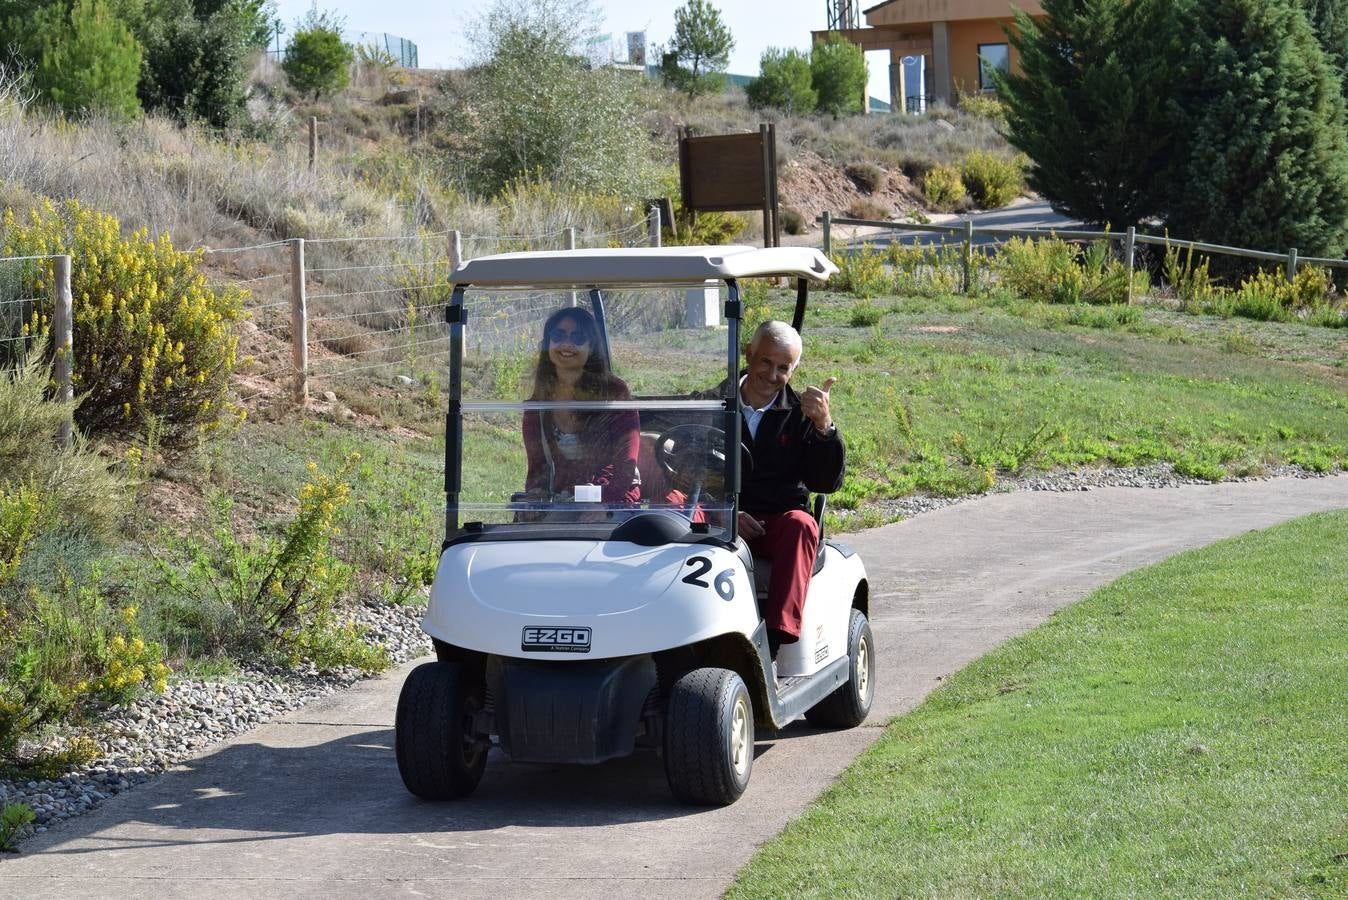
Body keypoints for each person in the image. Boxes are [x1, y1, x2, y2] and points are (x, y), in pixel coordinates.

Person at [729, 321, 844, 659]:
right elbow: (691, 474)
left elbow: (825, 482)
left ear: (794, 370)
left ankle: (773, 648)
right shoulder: (715, 403)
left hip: (774, 523)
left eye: (784, 368)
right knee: (673, 506)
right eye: (765, 362)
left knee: (801, 525)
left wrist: (824, 427)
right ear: (749, 354)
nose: (772, 374)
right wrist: (729, 515)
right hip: (723, 518)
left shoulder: (800, 414)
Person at [522, 307, 640, 512]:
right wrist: (535, 500)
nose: (566, 344)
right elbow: (537, 470)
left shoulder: (614, 393)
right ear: (547, 342)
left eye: (577, 338)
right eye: (558, 335)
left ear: (591, 346)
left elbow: (625, 467)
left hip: (613, 498)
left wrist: (601, 504)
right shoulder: (538, 403)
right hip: (564, 500)